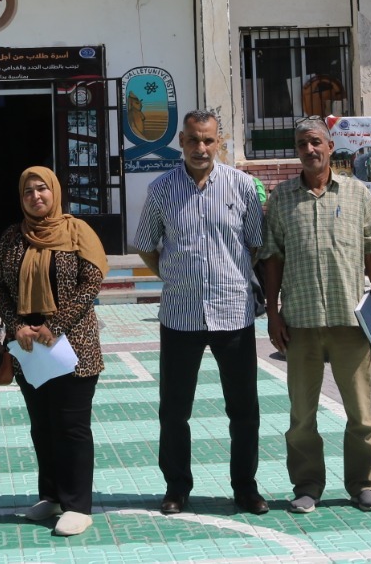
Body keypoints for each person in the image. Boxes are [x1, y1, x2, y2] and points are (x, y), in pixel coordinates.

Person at [133, 110, 268, 516]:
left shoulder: (242, 186)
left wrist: (233, 275)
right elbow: (146, 244)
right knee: (175, 410)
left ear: (219, 142)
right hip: (181, 315)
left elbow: (256, 244)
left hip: (234, 313)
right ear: (181, 141)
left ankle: (245, 488)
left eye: (208, 140)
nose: (201, 148)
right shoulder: (161, 189)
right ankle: (177, 488)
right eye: (193, 139)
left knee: (244, 410)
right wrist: (173, 275)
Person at [261, 119, 371, 513]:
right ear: (297, 150)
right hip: (300, 323)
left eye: (316, 142)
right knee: (302, 415)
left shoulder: (356, 194)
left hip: (350, 322)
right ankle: (307, 486)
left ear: (330, 146)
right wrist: (272, 313)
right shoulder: (282, 198)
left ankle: (362, 485)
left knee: (361, 414)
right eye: (302, 143)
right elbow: (272, 259)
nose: (310, 149)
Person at [0, 166, 108, 537]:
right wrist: (17, 325)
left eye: (42, 189)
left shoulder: (77, 231)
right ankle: (52, 496)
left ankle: (77, 506)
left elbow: (91, 283)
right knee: (42, 426)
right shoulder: (13, 236)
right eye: (28, 191)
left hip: (72, 345)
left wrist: (53, 327)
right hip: (28, 347)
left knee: (71, 426)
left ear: (55, 192)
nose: (36, 196)